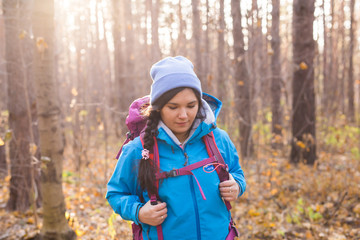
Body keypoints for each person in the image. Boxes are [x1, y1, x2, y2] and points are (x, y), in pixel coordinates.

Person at [106, 56, 246, 240]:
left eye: (191, 105)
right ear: (158, 108)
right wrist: (139, 212)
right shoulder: (137, 150)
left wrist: (237, 185)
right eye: (173, 107)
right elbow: (116, 193)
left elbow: (236, 173)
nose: (183, 115)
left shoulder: (219, 139)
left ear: (200, 103)